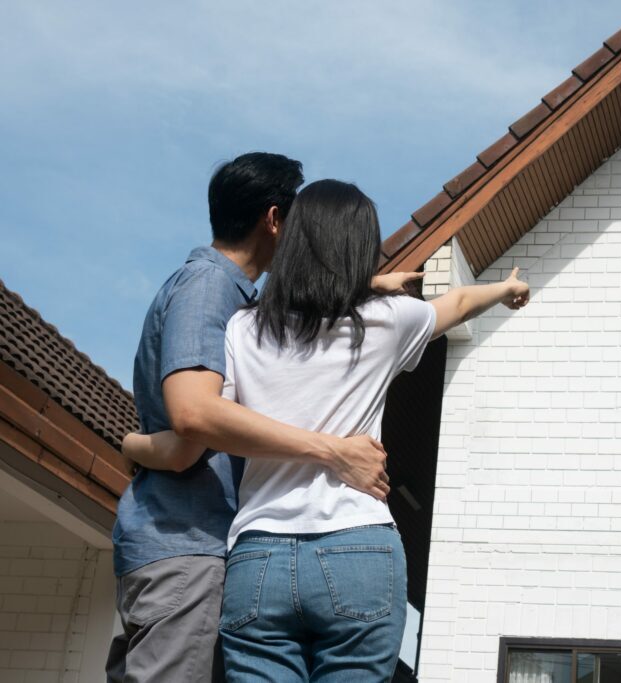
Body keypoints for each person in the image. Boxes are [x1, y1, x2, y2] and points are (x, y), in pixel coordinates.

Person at [130, 178, 530, 681]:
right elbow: (459, 303)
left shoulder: (242, 328)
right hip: (358, 547)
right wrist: (507, 288)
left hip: (259, 555)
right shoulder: (388, 321)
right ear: (360, 250)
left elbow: (206, 426)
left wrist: (133, 442)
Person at [109, 153, 420, 683]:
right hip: (188, 542)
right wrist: (332, 449)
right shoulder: (211, 289)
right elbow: (193, 415)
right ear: (274, 220)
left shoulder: (243, 305)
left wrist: (365, 286)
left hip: (206, 546)